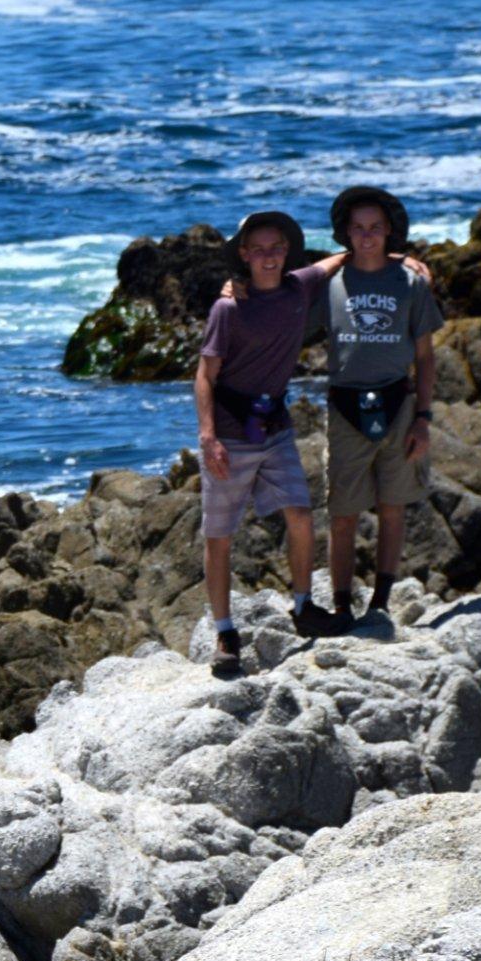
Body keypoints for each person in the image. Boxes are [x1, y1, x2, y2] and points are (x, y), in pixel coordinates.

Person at [196, 211, 341, 675]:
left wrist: (402, 258)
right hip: (231, 434)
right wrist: (208, 437)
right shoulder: (228, 308)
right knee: (219, 538)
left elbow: (336, 261)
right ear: (243, 255)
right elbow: (204, 376)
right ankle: (225, 632)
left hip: (275, 427)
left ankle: (302, 607)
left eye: (275, 248)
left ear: (287, 250)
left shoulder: (299, 287)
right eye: (257, 250)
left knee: (300, 515)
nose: (267, 257)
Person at [316, 185, 443, 628]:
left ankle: (382, 600)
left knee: (393, 506)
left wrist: (423, 419)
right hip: (344, 405)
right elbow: (282, 293)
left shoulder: (411, 283)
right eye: (358, 229)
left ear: (389, 230)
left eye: (375, 228)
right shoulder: (328, 284)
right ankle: (339, 605)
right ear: (346, 233)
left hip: (399, 402)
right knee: (342, 513)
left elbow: (426, 356)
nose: (367, 236)